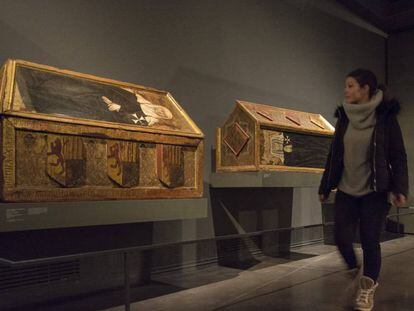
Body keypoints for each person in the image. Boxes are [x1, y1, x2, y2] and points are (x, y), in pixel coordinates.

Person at [318, 69, 408, 311]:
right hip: (346, 190)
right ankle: (354, 268)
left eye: (350, 86)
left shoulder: (386, 117)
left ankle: (367, 289)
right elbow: (334, 155)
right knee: (341, 239)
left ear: (365, 88)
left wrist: (400, 187)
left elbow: (398, 156)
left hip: (375, 191)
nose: (345, 90)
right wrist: (325, 185)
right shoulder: (344, 116)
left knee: (370, 241)